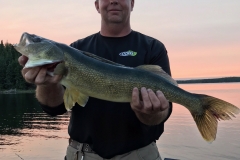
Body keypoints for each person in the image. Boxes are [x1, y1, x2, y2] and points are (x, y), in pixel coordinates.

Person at [18, 0, 172, 159]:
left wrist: (151, 113)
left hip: (140, 154)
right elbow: (55, 109)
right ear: (97, 5)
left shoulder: (153, 48)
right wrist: (46, 84)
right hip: (82, 154)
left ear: (132, 3)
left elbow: (164, 111)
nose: (113, 1)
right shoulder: (76, 49)